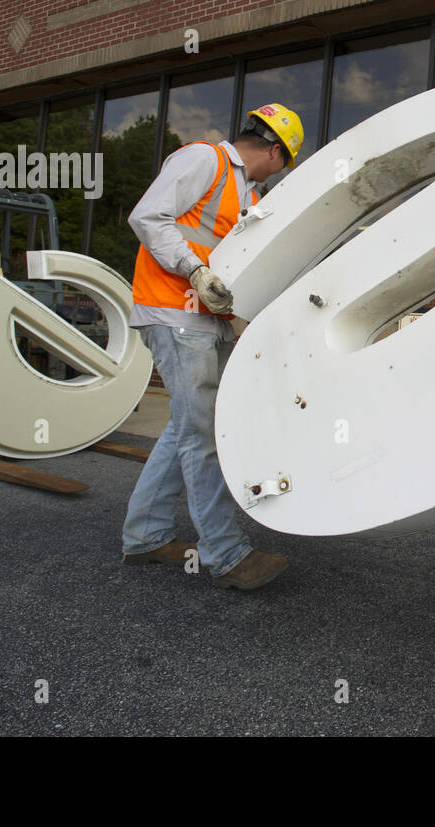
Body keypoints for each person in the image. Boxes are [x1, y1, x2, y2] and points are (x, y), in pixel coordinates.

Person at [121, 103, 304, 590]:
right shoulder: (205, 160)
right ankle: (226, 554)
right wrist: (194, 270)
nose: (276, 173)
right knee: (203, 435)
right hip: (175, 311)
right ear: (272, 151)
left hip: (204, 320)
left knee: (186, 427)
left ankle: (144, 536)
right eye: (281, 164)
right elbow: (148, 217)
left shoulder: (248, 192)